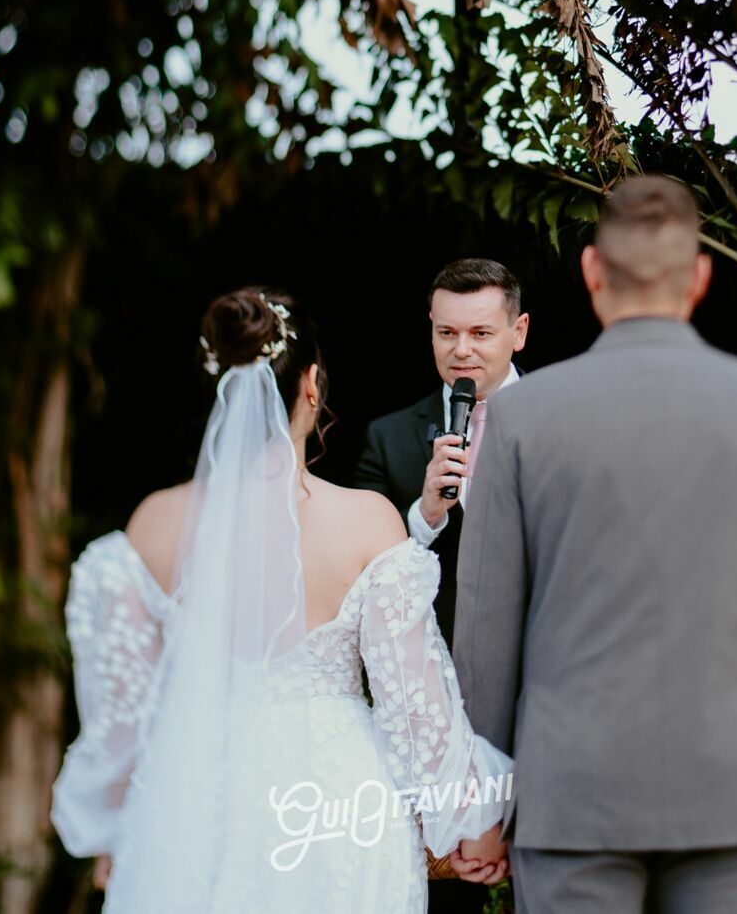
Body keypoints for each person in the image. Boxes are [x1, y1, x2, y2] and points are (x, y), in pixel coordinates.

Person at [452, 175, 737, 914]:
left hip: (570, 795)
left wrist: (482, 799)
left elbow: (485, 628)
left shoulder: (520, 419)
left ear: (592, 272)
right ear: (700, 276)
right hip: (730, 795)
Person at [51, 287, 513, 911]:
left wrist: (118, 831)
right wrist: (471, 817)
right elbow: (416, 713)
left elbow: (121, 722)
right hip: (334, 816)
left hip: (190, 812)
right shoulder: (364, 522)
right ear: (313, 386)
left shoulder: (153, 528)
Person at [354, 258, 531, 651]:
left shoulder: (563, 419)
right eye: (447, 332)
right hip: (435, 666)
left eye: (480, 333)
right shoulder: (389, 437)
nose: (461, 350)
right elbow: (359, 567)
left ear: (518, 332)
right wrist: (425, 515)